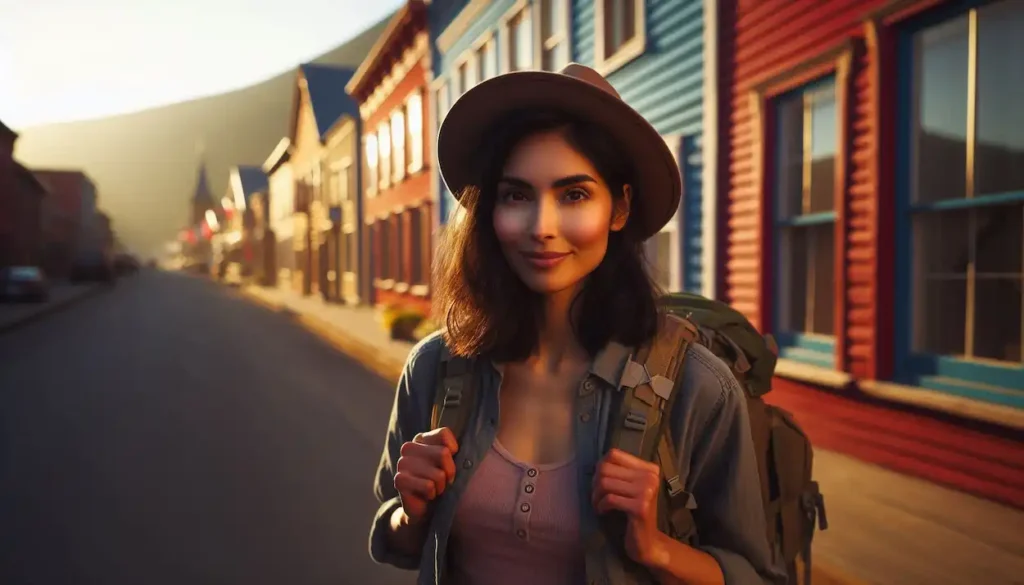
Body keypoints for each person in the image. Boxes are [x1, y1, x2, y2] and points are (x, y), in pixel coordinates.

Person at [369, 63, 786, 585]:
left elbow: (759, 577)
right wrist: (411, 510)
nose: (542, 228)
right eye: (516, 195)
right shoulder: (434, 367)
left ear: (619, 208)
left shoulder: (697, 388)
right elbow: (397, 539)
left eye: (574, 194)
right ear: (489, 210)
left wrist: (657, 548)